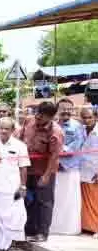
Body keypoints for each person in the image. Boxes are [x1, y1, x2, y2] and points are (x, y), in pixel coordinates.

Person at [20, 101, 63, 243]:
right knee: (29, 200)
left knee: (44, 202)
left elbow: (54, 156)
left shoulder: (55, 132)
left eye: (41, 116)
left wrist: (46, 176)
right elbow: (20, 142)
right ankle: (29, 230)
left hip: (44, 171)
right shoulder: (29, 122)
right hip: (27, 169)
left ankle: (42, 232)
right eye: (37, 113)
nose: (37, 117)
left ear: (50, 117)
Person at [0, 117, 30, 251]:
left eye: (7, 128)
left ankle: (12, 243)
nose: (3, 131)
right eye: (1, 127)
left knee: (15, 216)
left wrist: (23, 186)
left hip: (13, 187)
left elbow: (24, 167)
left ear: (13, 130)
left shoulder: (20, 146)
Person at [50, 99, 85, 235]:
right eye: (62, 108)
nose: (65, 111)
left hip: (70, 169)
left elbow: (76, 146)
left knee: (70, 201)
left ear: (73, 110)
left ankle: (69, 229)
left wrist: (60, 153)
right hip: (54, 168)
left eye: (69, 109)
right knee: (55, 199)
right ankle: (53, 227)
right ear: (57, 110)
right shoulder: (52, 126)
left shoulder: (77, 127)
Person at [81, 109, 98, 235]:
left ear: (95, 117)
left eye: (89, 117)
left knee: (95, 201)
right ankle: (89, 227)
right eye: (84, 118)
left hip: (95, 172)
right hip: (82, 170)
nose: (87, 120)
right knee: (85, 203)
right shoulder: (81, 130)